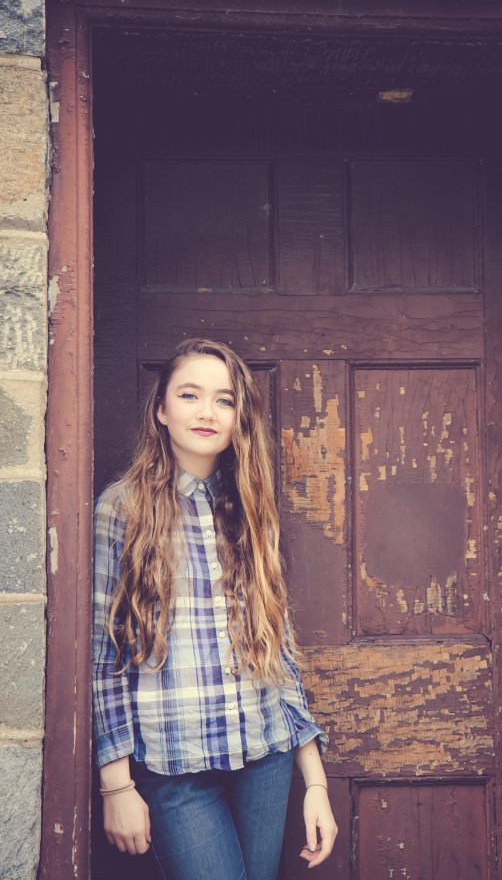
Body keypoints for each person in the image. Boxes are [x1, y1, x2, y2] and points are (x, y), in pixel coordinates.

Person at [92, 338, 337, 879]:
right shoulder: (121, 508)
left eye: (224, 400)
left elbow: (280, 648)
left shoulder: (252, 510)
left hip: (266, 757)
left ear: (238, 418)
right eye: (189, 394)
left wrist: (314, 783)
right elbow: (102, 656)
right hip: (175, 772)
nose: (207, 412)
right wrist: (116, 784)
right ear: (161, 409)